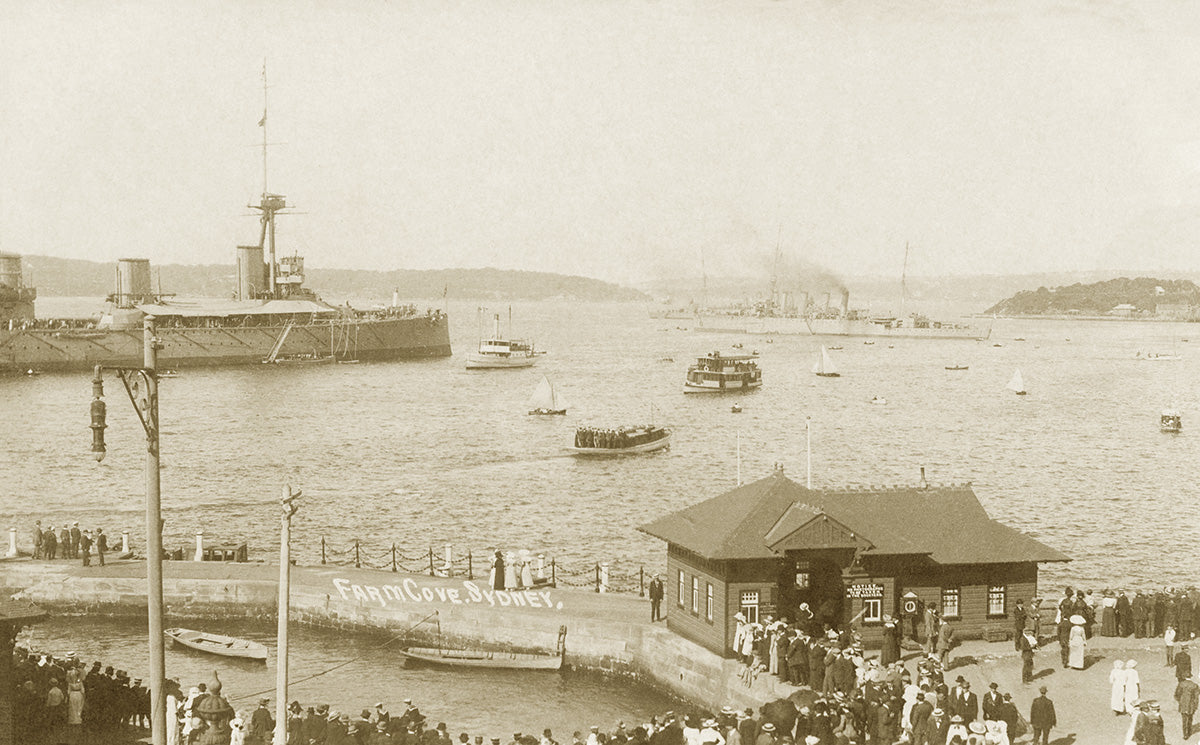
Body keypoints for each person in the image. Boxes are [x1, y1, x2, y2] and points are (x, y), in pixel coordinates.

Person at [1177, 672, 1200, 739]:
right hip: (1191, 705)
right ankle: (1189, 732)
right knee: (1190, 718)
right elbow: (1196, 697)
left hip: (1183, 705)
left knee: (1184, 720)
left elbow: (1177, 695)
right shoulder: (1195, 685)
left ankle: (1185, 734)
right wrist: (1195, 706)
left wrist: (1180, 701)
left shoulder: (1181, 684)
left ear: (1184, 677)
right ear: (1190, 677)